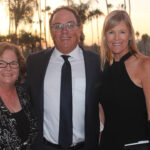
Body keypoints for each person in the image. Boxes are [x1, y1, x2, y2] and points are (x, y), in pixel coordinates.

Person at [25, 6, 102, 150]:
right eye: (57, 26)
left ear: (79, 29)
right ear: (51, 32)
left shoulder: (97, 63)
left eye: (70, 25)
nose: (64, 30)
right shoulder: (34, 62)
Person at [99, 10, 150, 150]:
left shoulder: (145, 65)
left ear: (130, 35)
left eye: (122, 32)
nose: (116, 38)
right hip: (107, 145)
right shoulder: (103, 69)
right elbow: (103, 114)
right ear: (105, 37)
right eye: (111, 32)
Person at [0, 42, 37, 150]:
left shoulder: (24, 94)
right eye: (1, 63)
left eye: (13, 63)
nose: (8, 68)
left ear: (19, 67)